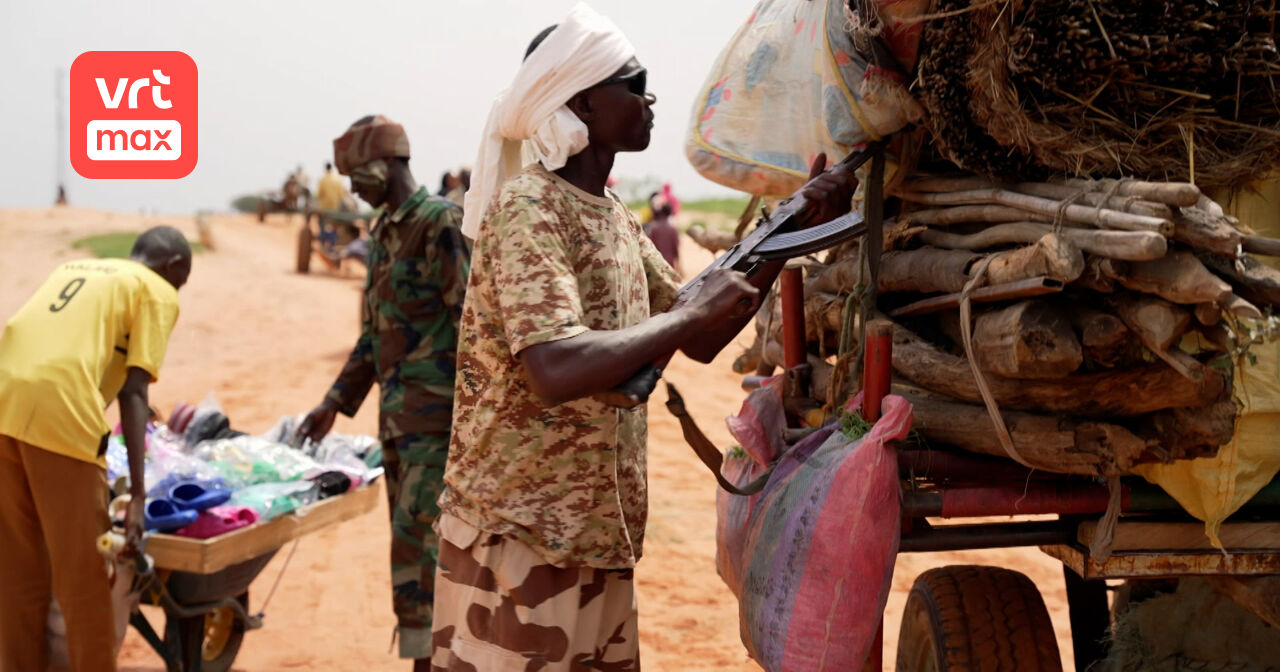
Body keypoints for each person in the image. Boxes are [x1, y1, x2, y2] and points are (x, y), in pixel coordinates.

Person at [432, 5, 857, 670]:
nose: (650, 98)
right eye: (635, 84)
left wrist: (793, 221)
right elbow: (552, 363)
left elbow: (701, 333)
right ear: (583, 100)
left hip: (596, 536)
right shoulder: (529, 208)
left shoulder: (614, 217)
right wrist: (689, 315)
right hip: (521, 537)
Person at [294, 115, 469, 669]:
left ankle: (433, 659)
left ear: (387, 165)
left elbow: (474, 327)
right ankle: (426, 655)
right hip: (397, 424)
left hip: (437, 427)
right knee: (406, 545)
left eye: (357, 175)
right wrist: (332, 402)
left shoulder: (438, 223)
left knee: (423, 550)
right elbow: (374, 335)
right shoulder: (385, 232)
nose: (352, 188)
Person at [0, 226, 191, 672]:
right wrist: (139, 496)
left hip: (4, 403)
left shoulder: (78, 269)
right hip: (60, 414)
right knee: (85, 579)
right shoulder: (157, 288)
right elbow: (135, 388)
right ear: (175, 268)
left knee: (19, 572)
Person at [646, 193, 681, 275]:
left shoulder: (652, 229)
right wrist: (680, 268)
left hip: (656, 268)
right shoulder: (673, 229)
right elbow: (676, 250)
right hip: (670, 266)